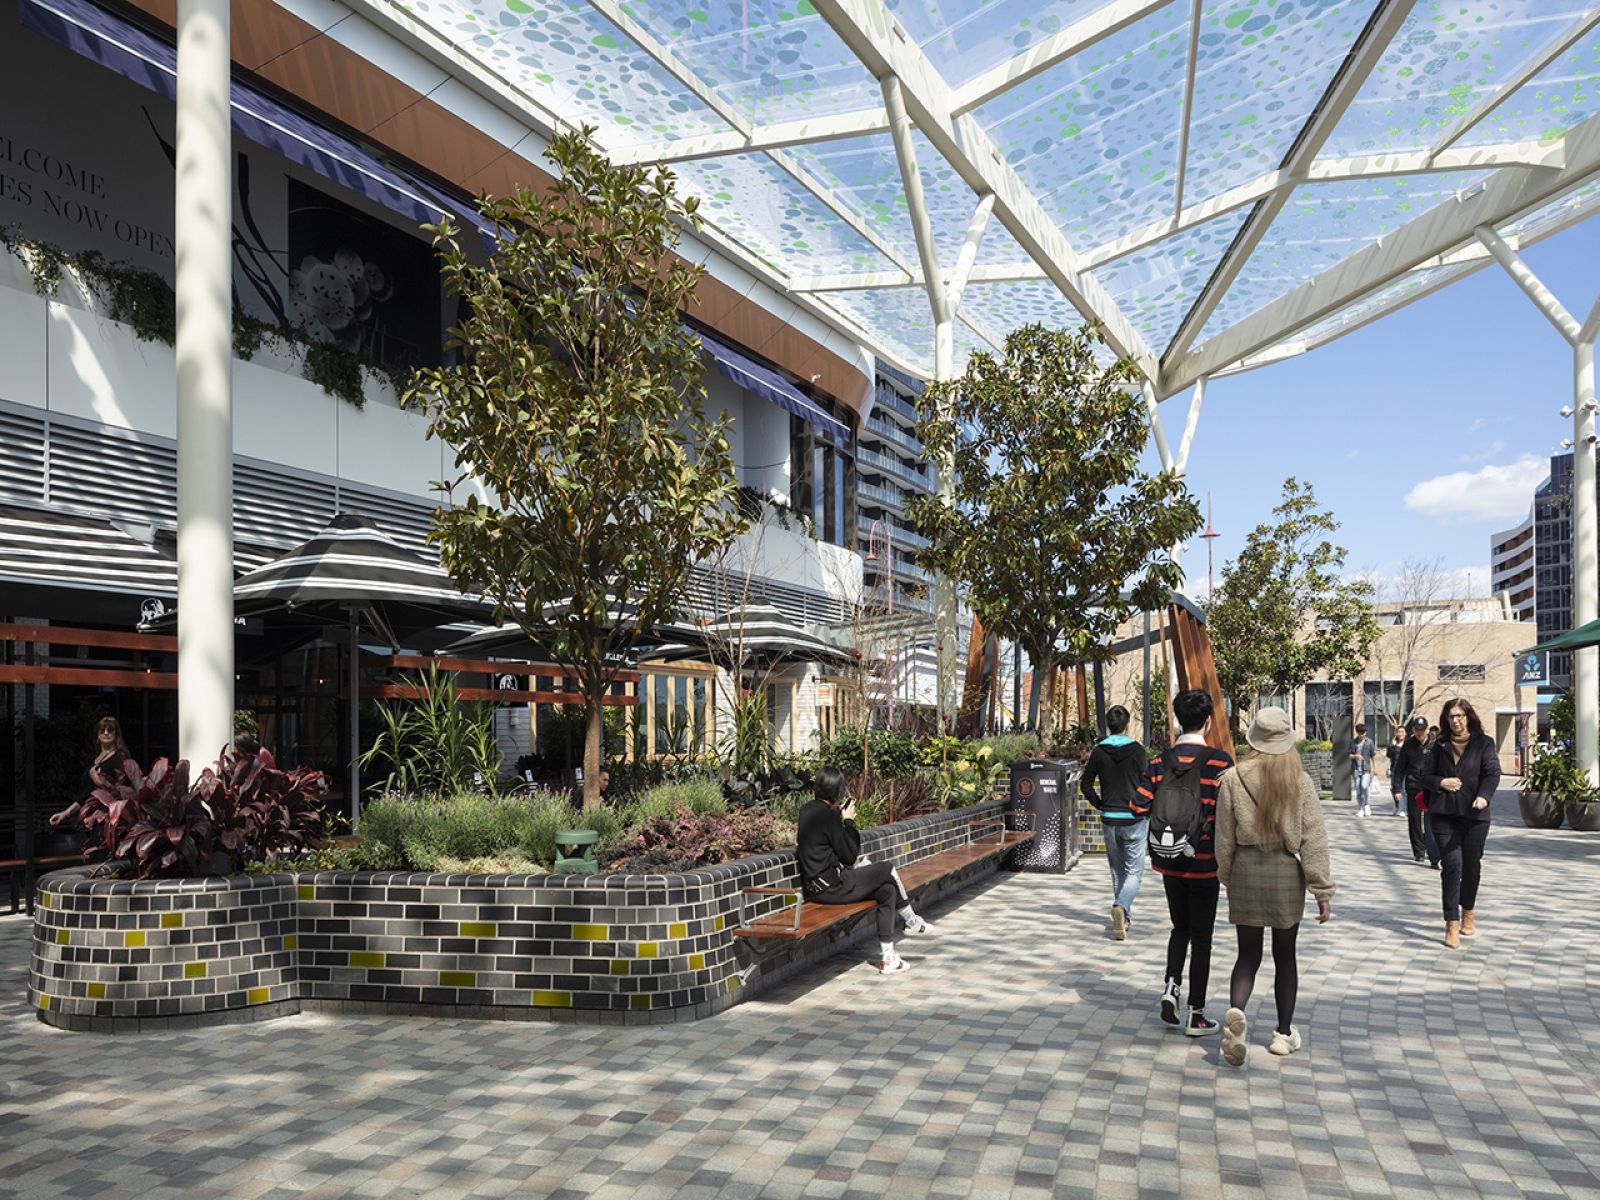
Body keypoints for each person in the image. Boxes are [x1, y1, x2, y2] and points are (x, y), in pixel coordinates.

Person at [1215, 707, 1335, 1066]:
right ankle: (1283, 1035)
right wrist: (1322, 890)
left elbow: (1223, 838)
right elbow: (1314, 838)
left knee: (1247, 955)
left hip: (1247, 870)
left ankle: (1236, 1014)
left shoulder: (1233, 778)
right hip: (1285, 870)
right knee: (1286, 957)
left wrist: (1227, 876)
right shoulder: (1299, 780)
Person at [1132, 688, 1234, 1037]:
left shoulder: (1159, 762)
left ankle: (1171, 987)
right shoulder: (1220, 763)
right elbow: (1232, 814)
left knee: (1180, 928)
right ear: (1207, 722)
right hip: (1205, 863)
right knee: (1202, 937)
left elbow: (1137, 806)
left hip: (1169, 860)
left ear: (1178, 721)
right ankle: (1197, 1014)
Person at [797, 765, 934, 974]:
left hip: (819, 888)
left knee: (886, 891)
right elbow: (849, 856)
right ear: (838, 791)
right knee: (886, 869)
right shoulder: (829, 817)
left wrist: (838, 819)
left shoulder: (807, 811)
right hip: (833, 887)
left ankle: (888, 958)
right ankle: (912, 920)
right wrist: (849, 821)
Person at [1421, 699, 1501, 948]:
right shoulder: (1439, 745)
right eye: (1451, 716)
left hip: (1475, 815)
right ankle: (1451, 923)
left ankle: (1468, 910)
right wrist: (1441, 783)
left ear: (1468, 717)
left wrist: (1484, 797)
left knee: (1471, 868)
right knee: (1453, 865)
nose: (1455, 721)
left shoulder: (1484, 743)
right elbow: (1424, 776)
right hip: (1444, 813)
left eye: (1460, 716)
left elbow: (1492, 773)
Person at [1079, 704, 1148, 941]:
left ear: (1108, 725)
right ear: (1127, 724)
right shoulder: (1138, 751)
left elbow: (1085, 784)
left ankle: (1123, 916)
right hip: (1134, 818)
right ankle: (1121, 906)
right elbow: (1148, 784)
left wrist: (1100, 805)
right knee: (1134, 872)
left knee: (1117, 870)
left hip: (1109, 818)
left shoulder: (1099, 752)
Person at [47, 715, 129, 831]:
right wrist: (65, 813)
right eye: (102, 730)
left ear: (116, 734)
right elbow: (85, 793)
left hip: (110, 819)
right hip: (93, 817)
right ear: (98, 735)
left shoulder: (120, 758)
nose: (106, 733)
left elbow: (122, 791)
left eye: (110, 730)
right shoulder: (95, 760)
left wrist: (98, 781)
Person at [1397, 717, 1438, 867]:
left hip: (1431, 788)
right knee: (1414, 821)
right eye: (1417, 730)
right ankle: (1419, 851)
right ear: (1413, 730)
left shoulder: (1436, 744)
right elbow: (1400, 768)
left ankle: (1432, 849)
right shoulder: (1408, 745)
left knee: (1431, 821)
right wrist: (1396, 788)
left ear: (1427, 729)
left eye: (1422, 729)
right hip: (1413, 787)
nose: (1419, 733)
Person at [1348, 722, 1374, 816]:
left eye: (1363, 733)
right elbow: (1349, 755)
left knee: (1364, 786)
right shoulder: (1353, 742)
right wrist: (1356, 756)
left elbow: (1373, 755)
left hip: (1366, 768)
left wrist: (1374, 768)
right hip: (1356, 769)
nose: (1362, 735)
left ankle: (1367, 804)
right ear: (1357, 732)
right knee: (1358, 790)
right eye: (1360, 733)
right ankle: (1360, 808)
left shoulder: (1369, 742)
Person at [1385, 728, 1406, 815]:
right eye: (1398, 732)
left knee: (1403, 789)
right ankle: (1397, 805)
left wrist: (1396, 747)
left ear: (1405, 734)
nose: (1400, 734)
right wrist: (1392, 746)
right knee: (1394, 789)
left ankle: (1403, 809)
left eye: (1402, 732)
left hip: (1405, 769)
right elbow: (1389, 755)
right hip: (1394, 768)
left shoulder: (1407, 744)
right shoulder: (1393, 744)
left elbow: (1403, 754)